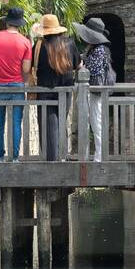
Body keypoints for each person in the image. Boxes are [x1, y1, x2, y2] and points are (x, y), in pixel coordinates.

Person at [0, 7, 32, 162]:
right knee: (16, 123)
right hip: (17, 86)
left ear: (7, 21)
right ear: (20, 23)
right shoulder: (25, 42)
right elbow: (25, 68)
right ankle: (15, 157)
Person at [33, 14, 80, 161]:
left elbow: (32, 67)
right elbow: (77, 65)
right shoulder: (70, 44)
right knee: (61, 122)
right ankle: (62, 156)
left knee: (47, 125)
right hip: (65, 90)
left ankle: (50, 158)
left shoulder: (39, 46)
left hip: (44, 90)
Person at [73, 17, 115, 162]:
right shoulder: (93, 48)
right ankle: (95, 155)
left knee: (97, 123)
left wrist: (82, 65)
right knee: (92, 122)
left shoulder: (100, 49)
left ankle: (99, 157)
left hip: (95, 92)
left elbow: (93, 69)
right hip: (90, 91)